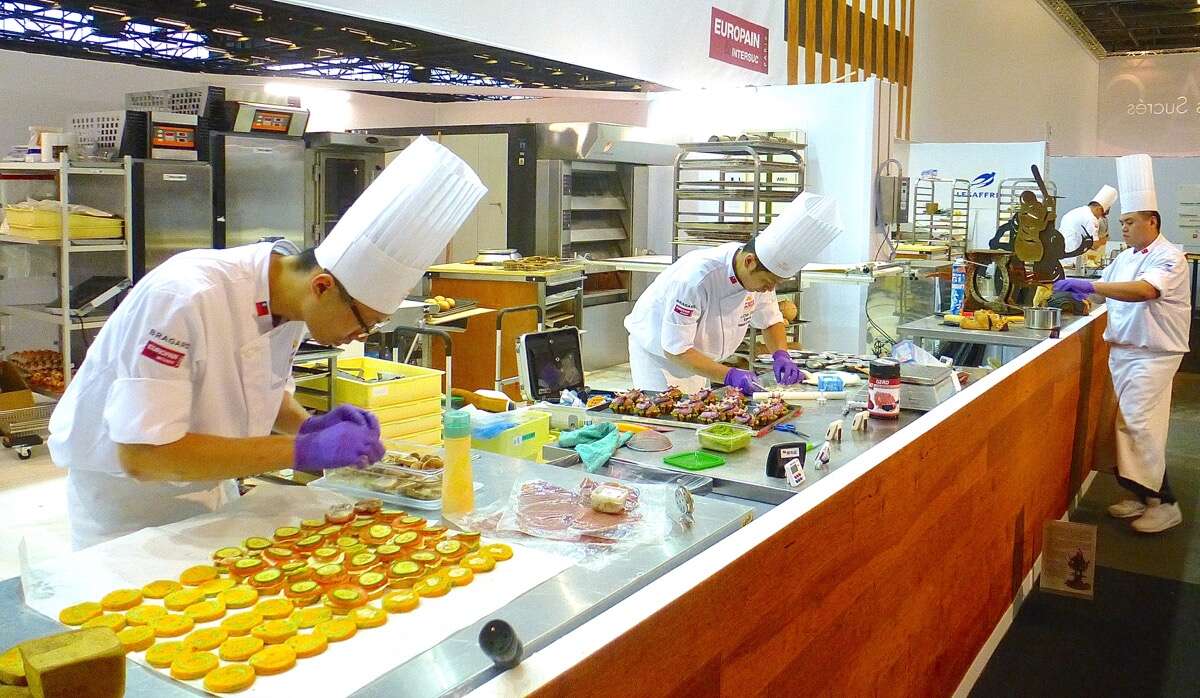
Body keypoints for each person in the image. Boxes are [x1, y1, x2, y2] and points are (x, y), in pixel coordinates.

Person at [48, 137, 487, 548]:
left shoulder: (290, 304)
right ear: (321, 286)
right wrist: (299, 450)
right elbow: (143, 454)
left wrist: (309, 425)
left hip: (210, 491)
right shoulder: (183, 298)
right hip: (128, 511)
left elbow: (256, 383)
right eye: (363, 322)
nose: (360, 336)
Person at [1055, 154, 1192, 534]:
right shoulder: (1126, 257)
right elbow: (1104, 294)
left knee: (1141, 426)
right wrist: (1069, 294)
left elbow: (1145, 291)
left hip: (1154, 354)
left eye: (1130, 222)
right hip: (1125, 352)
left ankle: (1165, 504)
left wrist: (1090, 285)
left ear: (1152, 221)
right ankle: (1137, 491)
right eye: (1121, 223)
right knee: (1122, 426)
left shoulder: (1171, 257)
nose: (1124, 229)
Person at [624, 192, 842, 394]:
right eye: (768, 282)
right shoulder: (695, 280)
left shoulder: (760, 276)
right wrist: (729, 375)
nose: (770, 289)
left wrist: (781, 354)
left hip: (699, 361)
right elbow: (675, 349)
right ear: (749, 262)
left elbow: (770, 320)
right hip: (659, 360)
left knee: (695, 422)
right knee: (662, 424)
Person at [1058, 185, 1117, 269]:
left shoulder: (1076, 211)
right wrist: (1103, 240)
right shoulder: (1091, 218)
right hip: (1072, 261)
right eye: (1102, 214)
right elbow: (1094, 245)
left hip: (1061, 257)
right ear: (1098, 209)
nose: (1100, 217)